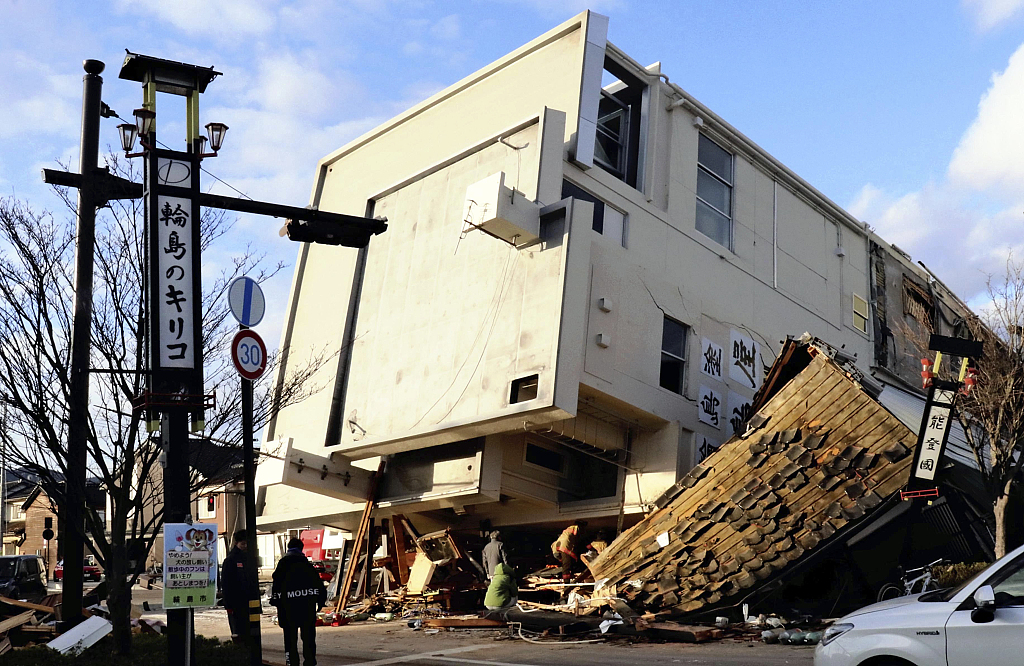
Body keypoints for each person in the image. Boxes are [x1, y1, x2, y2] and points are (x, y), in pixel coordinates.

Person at [271, 538, 327, 666]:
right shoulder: (307, 565)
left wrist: (276, 602)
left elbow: (276, 587)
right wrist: (320, 602)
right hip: (307, 608)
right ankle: (310, 662)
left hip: (288, 609)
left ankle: (292, 662)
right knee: (308, 638)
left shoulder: (283, 564)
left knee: (290, 639)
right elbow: (319, 585)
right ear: (301, 549)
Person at [220, 529, 252, 644]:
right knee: (238, 633)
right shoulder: (230, 560)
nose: (245, 546)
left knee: (250, 632)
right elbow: (226, 584)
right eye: (242, 543)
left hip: (248, 602)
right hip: (236, 604)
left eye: (247, 543)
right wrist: (228, 604)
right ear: (236, 543)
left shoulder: (249, 558)